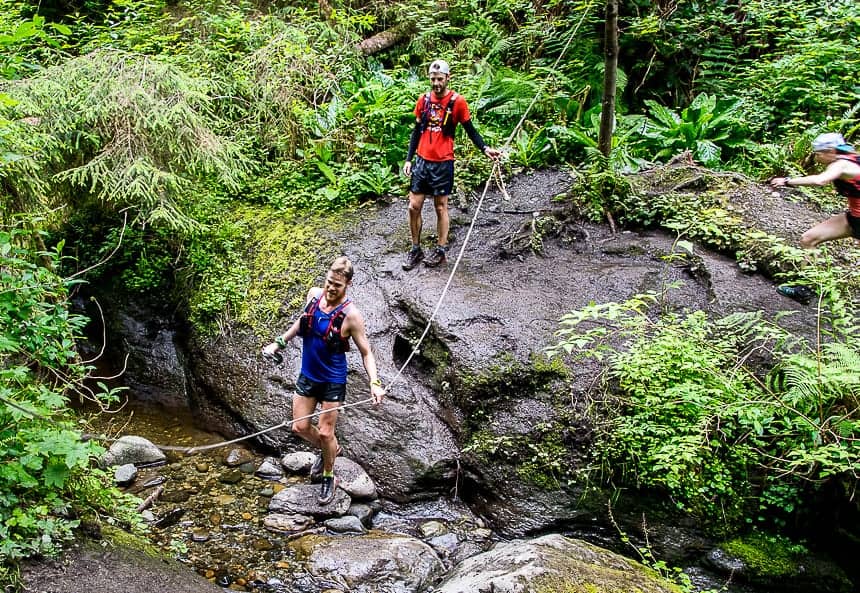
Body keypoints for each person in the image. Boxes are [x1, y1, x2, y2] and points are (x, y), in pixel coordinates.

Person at [262, 256, 385, 505]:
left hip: (332, 380)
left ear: (347, 285)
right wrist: (279, 342)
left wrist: (374, 382)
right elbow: (302, 322)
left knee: (327, 433)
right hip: (308, 375)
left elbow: (366, 352)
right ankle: (332, 451)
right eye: (329, 282)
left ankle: (329, 475)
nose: (331, 289)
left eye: (337, 286)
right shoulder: (314, 295)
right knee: (299, 427)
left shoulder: (351, 316)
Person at [401, 59, 501, 270]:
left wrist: (485, 149)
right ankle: (415, 249)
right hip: (422, 162)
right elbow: (416, 132)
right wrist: (409, 159)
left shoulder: (457, 102)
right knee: (413, 206)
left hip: (443, 163)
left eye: (440, 79)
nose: (436, 83)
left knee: (440, 207)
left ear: (448, 78)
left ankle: (440, 249)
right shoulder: (423, 101)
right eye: (433, 79)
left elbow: (470, 129)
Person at [770, 132, 860, 302]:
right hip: (853, 217)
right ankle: (806, 288)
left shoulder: (840, 165)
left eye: (818, 153)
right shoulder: (852, 159)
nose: (816, 157)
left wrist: (787, 181)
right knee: (808, 239)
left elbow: (820, 181)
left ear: (830, 151)